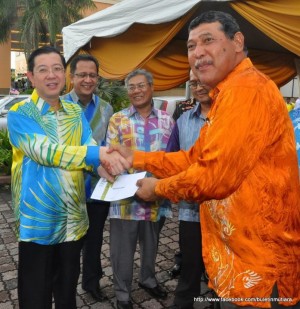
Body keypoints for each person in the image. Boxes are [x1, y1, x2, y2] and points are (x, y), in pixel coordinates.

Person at [104, 11, 300, 309]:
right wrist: (138, 157)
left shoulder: (245, 91)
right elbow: (195, 158)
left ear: (237, 41)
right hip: (241, 257)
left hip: (261, 264)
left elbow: (213, 176)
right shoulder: (229, 93)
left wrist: (156, 189)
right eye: (191, 46)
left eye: (208, 40)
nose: (197, 53)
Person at [7, 46, 129, 309]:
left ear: (64, 73)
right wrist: (98, 154)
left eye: (57, 68)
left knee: (66, 295)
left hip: (73, 222)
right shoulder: (21, 113)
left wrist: (103, 170)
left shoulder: (75, 113)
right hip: (38, 223)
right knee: (35, 298)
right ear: (31, 76)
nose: (51, 75)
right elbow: (46, 152)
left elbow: (88, 148)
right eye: (43, 70)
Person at [106, 69, 174, 309]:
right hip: (125, 200)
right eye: (131, 87)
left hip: (156, 198)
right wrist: (137, 188)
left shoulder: (168, 120)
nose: (136, 91)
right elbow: (110, 159)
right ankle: (122, 294)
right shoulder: (118, 119)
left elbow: (172, 158)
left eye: (140, 85)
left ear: (151, 87)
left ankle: (147, 279)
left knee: (151, 245)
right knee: (121, 252)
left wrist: (159, 187)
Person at [62, 54, 113, 302]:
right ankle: (64, 289)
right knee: (69, 246)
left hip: (98, 190)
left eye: (92, 75)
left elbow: (109, 147)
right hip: (67, 191)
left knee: (94, 242)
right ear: (72, 77)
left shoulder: (106, 109)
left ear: (98, 78)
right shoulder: (58, 107)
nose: (87, 79)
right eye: (82, 74)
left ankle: (92, 283)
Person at [166, 70, 212, 309]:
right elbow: (171, 158)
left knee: (221, 266)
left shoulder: (231, 119)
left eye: (203, 80)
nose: (199, 86)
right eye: (193, 82)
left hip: (225, 213)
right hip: (190, 210)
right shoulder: (183, 121)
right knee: (190, 265)